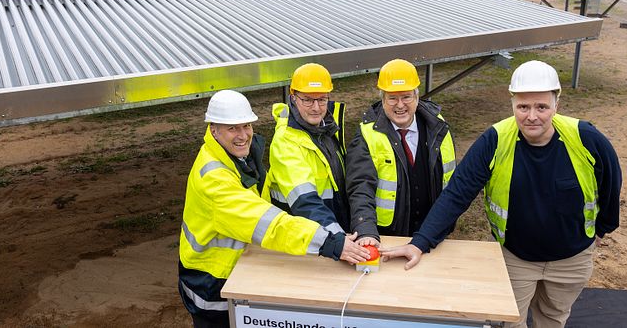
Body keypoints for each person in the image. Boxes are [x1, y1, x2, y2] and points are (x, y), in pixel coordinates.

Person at [381, 60, 622, 328]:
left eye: (541, 107)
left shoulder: (586, 138)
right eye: (523, 107)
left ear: (557, 105)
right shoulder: (495, 140)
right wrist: (420, 242)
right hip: (516, 258)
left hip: (571, 260)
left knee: (553, 318)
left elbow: (611, 183)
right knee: (509, 323)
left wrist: (604, 227)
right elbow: (458, 192)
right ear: (513, 105)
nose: (532, 116)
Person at [178, 90, 370, 328]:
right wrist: (330, 242)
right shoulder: (214, 179)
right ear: (213, 130)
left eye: (246, 126)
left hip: (236, 269)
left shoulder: (234, 157)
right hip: (213, 283)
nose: (243, 135)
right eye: (232, 128)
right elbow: (267, 222)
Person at [346, 58, 456, 247]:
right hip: (389, 236)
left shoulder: (437, 126)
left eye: (406, 97)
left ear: (417, 96)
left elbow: (451, 178)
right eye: (392, 98)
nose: (400, 105)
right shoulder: (367, 135)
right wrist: (366, 230)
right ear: (382, 99)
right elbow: (360, 188)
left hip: (433, 232)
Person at [265, 63, 350, 234]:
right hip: (303, 236)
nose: (316, 108)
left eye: (321, 99)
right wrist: (338, 237)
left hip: (327, 230)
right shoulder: (285, 141)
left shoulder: (326, 128)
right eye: (308, 100)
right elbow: (305, 201)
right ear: (293, 97)